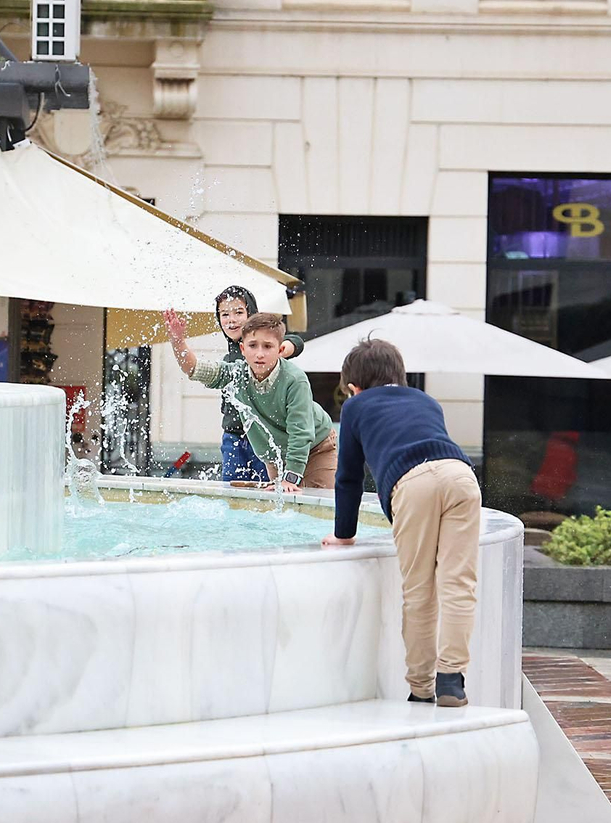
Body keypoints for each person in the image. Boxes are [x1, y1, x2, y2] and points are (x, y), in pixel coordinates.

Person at [321, 337, 480, 708]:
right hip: (461, 476)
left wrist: (344, 534)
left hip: (413, 483)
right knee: (458, 583)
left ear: (354, 387)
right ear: (399, 375)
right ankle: (452, 680)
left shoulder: (356, 407)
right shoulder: (426, 400)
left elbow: (348, 478)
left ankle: (421, 688)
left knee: (419, 590)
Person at [164, 309, 335, 491]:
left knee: (318, 504)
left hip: (316, 447)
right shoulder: (237, 374)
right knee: (281, 512)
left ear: (280, 349)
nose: (259, 354)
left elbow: (301, 434)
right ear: (243, 349)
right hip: (275, 454)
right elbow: (196, 369)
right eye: (253, 346)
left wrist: (290, 478)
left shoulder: (295, 380)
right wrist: (178, 342)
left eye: (267, 346)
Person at [209, 286, 304, 482]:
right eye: (224, 314)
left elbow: (295, 341)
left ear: (251, 313)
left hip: (263, 437)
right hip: (233, 436)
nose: (231, 320)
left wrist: (288, 347)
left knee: (267, 490)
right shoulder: (229, 357)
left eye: (238, 312)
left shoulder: (260, 343)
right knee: (232, 493)